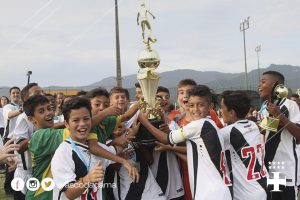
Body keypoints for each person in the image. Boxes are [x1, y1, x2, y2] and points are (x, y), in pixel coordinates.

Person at [138, 85, 232, 200]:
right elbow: (187, 148)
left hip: (210, 192)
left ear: (210, 106)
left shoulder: (199, 124)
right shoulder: (210, 124)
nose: (195, 109)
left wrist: (144, 122)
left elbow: (166, 139)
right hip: (218, 189)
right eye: (191, 105)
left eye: (200, 105)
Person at [51, 97, 111, 199]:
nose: (82, 124)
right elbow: (69, 193)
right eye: (76, 120)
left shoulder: (98, 147)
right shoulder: (63, 153)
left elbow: (115, 151)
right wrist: (88, 179)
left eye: (86, 119)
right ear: (66, 124)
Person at [258, 71, 300, 200]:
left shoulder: (290, 105)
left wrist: (279, 115)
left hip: (285, 169)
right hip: (269, 168)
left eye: (263, 82)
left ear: (276, 85)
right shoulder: (265, 107)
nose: (259, 85)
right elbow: (264, 131)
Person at [219, 91, 268, 199]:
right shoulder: (253, 125)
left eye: (222, 107)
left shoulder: (226, 133)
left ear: (231, 112)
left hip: (245, 194)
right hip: (263, 184)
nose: (220, 110)